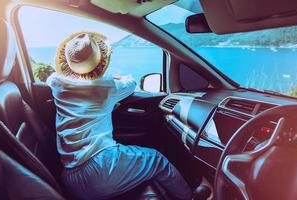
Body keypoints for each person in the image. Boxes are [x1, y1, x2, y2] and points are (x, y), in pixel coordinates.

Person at [47, 32, 192, 200]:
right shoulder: (105, 86)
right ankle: (190, 197)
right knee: (157, 160)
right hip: (101, 168)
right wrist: (110, 76)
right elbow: (131, 84)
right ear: (100, 62)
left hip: (70, 177)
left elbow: (52, 78)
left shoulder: (57, 83)